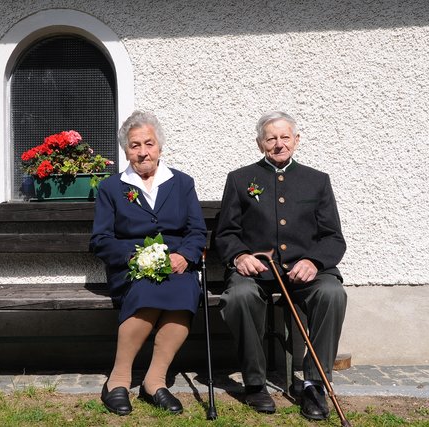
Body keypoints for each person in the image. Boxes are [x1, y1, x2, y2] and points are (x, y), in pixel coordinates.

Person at [215, 111, 347, 421]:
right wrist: (239, 256)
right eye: (271, 138)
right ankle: (255, 382)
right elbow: (225, 233)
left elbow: (333, 238)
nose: (278, 144)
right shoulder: (240, 179)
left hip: (306, 273)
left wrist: (314, 261)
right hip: (258, 272)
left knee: (332, 293)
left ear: (296, 140)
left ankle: (315, 384)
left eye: (285, 137)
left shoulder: (317, 181)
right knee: (239, 297)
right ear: (260, 143)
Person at [90, 110, 207, 416]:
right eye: (134, 145)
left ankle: (155, 382)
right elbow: (100, 239)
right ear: (126, 150)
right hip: (131, 270)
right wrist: (133, 258)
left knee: (184, 293)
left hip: (176, 265)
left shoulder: (181, 183)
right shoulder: (111, 188)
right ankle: (117, 380)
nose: (142, 152)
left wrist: (185, 255)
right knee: (144, 292)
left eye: (148, 144)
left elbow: (196, 230)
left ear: (159, 147)